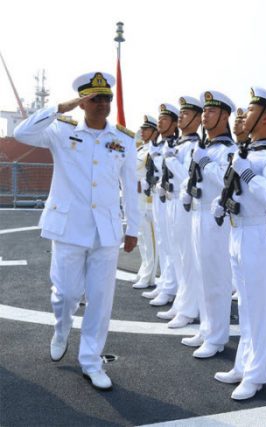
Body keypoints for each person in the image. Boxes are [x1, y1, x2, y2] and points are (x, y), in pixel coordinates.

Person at [12, 71, 139, 390]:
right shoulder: (59, 130)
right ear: (82, 102)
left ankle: (91, 361)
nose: (103, 103)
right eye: (95, 98)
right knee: (67, 294)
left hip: (106, 232)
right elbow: (21, 133)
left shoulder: (123, 139)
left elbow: (131, 187)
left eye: (107, 97)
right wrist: (61, 106)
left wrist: (133, 226)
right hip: (68, 227)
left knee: (100, 299)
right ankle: (61, 328)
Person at [212, 87, 266, 400]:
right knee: (244, 305)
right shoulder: (246, 153)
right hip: (238, 230)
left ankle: (256, 374)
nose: (244, 116)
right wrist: (222, 199)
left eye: (252, 112)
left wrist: (251, 177)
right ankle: (243, 364)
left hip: (259, 234)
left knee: (258, 309)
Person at [179, 90, 235, 358]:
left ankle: (216, 336)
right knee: (201, 275)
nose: (205, 116)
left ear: (225, 116)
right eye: (205, 111)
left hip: (216, 219)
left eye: (212, 111)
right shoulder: (205, 147)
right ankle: (206, 327)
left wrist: (208, 164)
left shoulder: (228, 150)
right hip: (197, 214)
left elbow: (228, 181)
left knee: (217, 279)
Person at [156, 96, 204, 328]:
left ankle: (189, 308)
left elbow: (189, 177)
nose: (182, 117)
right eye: (181, 113)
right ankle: (182, 302)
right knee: (175, 253)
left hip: (185, 204)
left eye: (187, 114)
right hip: (171, 201)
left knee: (188, 259)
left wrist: (171, 160)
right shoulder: (178, 145)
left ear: (197, 118)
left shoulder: (196, 146)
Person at [148, 103, 181, 307]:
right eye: (159, 118)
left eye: (165, 119)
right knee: (162, 241)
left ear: (174, 123)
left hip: (173, 197)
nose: (159, 122)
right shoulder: (159, 144)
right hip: (159, 195)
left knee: (172, 244)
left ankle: (171, 287)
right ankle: (166, 283)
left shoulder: (175, 144)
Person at [132, 115, 159, 289]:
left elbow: (157, 175)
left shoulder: (155, 150)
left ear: (155, 132)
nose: (143, 132)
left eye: (147, 129)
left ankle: (149, 275)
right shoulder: (141, 149)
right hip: (137, 198)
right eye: (142, 129)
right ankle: (144, 269)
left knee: (151, 239)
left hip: (148, 198)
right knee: (141, 237)